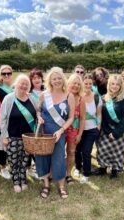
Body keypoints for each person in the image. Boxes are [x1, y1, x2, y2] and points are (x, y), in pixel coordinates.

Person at [36, 67, 75, 199]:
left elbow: (71, 118)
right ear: (50, 81)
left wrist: (61, 130)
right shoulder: (43, 95)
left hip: (59, 132)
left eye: (59, 78)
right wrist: (39, 117)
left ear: (63, 80)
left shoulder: (69, 96)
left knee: (59, 158)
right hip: (44, 132)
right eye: (54, 79)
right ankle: (46, 184)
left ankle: (61, 186)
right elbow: (38, 110)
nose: (57, 81)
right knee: (42, 157)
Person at [0, 74, 37, 192]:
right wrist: (5, 136)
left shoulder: (31, 98)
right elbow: (2, 118)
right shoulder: (9, 98)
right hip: (13, 136)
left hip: (28, 136)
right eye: (21, 83)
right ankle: (16, 181)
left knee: (25, 159)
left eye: (26, 84)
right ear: (16, 84)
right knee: (14, 160)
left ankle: (23, 179)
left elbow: (37, 114)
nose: (24, 86)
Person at [94, 75, 124, 179]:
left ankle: (115, 170)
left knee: (117, 152)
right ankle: (102, 168)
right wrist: (107, 131)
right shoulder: (104, 98)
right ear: (109, 85)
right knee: (103, 150)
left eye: (117, 84)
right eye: (112, 84)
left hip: (121, 131)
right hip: (106, 130)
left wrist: (116, 133)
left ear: (121, 86)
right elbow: (102, 117)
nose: (114, 86)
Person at [75, 74, 102, 183]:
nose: (88, 85)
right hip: (78, 128)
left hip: (91, 129)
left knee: (86, 151)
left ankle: (86, 173)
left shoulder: (96, 97)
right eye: (86, 83)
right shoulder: (77, 96)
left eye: (90, 84)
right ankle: (77, 167)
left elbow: (99, 114)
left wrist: (98, 127)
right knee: (77, 150)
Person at [0, 65, 14, 179]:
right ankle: (3, 167)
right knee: (2, 144)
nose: (6, 75)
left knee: (13, 144)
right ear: (0, 75)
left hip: (15, 122)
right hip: (2, 121)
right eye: (3, 73)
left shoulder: (15, 87)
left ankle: (12, 165)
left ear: (11, 74)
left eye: (8, 73)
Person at [65, 74, 85, 184]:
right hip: (61, 129)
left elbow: (82, 118)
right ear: (69, 83)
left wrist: (80, 134)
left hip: (74, 130)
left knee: (71, 152)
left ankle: (68, 174)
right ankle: (54, 172)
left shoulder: (81, 99)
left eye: (78, 84)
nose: (76, 86)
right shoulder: (62, 95)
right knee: (58, 152)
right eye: (74, 83)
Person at [27, 68, 44, 178]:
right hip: (32, 122)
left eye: (39, 77)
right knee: (32, 145)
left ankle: (40, 167)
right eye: (34, 78)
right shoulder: (28, 93)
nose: (37, 80)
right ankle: (30, 167)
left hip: (45, 122)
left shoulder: (47, 91)